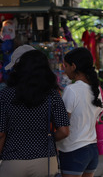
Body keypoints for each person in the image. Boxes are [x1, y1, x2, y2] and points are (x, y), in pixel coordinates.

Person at [0, 46, 70, 176]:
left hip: (13, 161)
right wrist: (47, 139)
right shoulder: (53, 95)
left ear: (18, 69)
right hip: (45, 161)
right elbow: (64, 131)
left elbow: (1, 134)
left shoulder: (5, 95)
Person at [58, 47, 103, 177]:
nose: (64, 70)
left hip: (73, 150)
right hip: (92, 149)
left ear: (73, 66)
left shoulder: (72, 90)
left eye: (65, 66)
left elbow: (63, 124)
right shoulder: (97, 89)